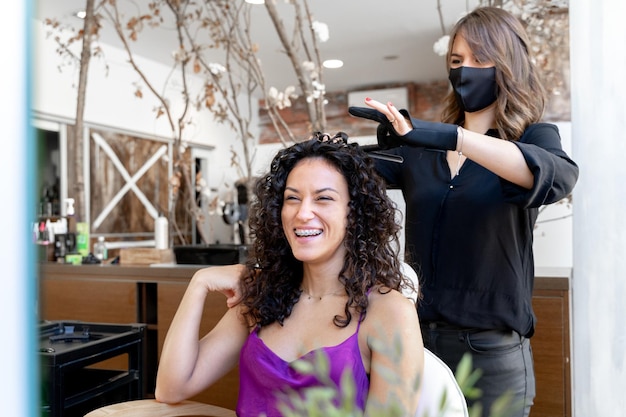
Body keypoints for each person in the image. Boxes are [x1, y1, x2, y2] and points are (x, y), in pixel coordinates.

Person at [348, 6, 578, 417]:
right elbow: (349, 174)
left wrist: (448, 136)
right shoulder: (421, 150)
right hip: (414, 343)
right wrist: (337, 151)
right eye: (456, 61)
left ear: (508, 64)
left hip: (491, 354)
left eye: (480, 58)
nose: (465, 69)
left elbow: (557, 177)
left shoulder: (534, 138)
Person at [155, 132, 424, 416]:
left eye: (323, 199)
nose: (303, 213)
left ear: (355, 213)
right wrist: (200, 283)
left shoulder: (390, 311)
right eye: (292, 198)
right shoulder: (262, 295)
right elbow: (172, 387)